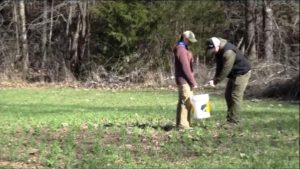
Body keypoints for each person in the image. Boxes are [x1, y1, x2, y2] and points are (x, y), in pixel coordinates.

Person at [206, 37, 251, 125]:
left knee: (235, 96)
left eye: (213, 49)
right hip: (234, 74)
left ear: (217, 45)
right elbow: (219, 67)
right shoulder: (218, 51)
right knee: (228, 95)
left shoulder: (228, 52)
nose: (212, 52)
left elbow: (226, 69)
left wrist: (216, 81)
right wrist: (214, 79)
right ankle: (230, 118)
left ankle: (233, 121)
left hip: (242, 73)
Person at [173, 30, 198, 129]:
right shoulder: (181, 49)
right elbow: (185, 67)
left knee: (185, 101)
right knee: (185, 102)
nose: (191, 42)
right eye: (189, 40)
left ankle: (184, 123)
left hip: (185, 80)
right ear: (185, 38)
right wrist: (193, 82)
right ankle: (183, 126)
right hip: (184, 80)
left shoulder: (183, 49)